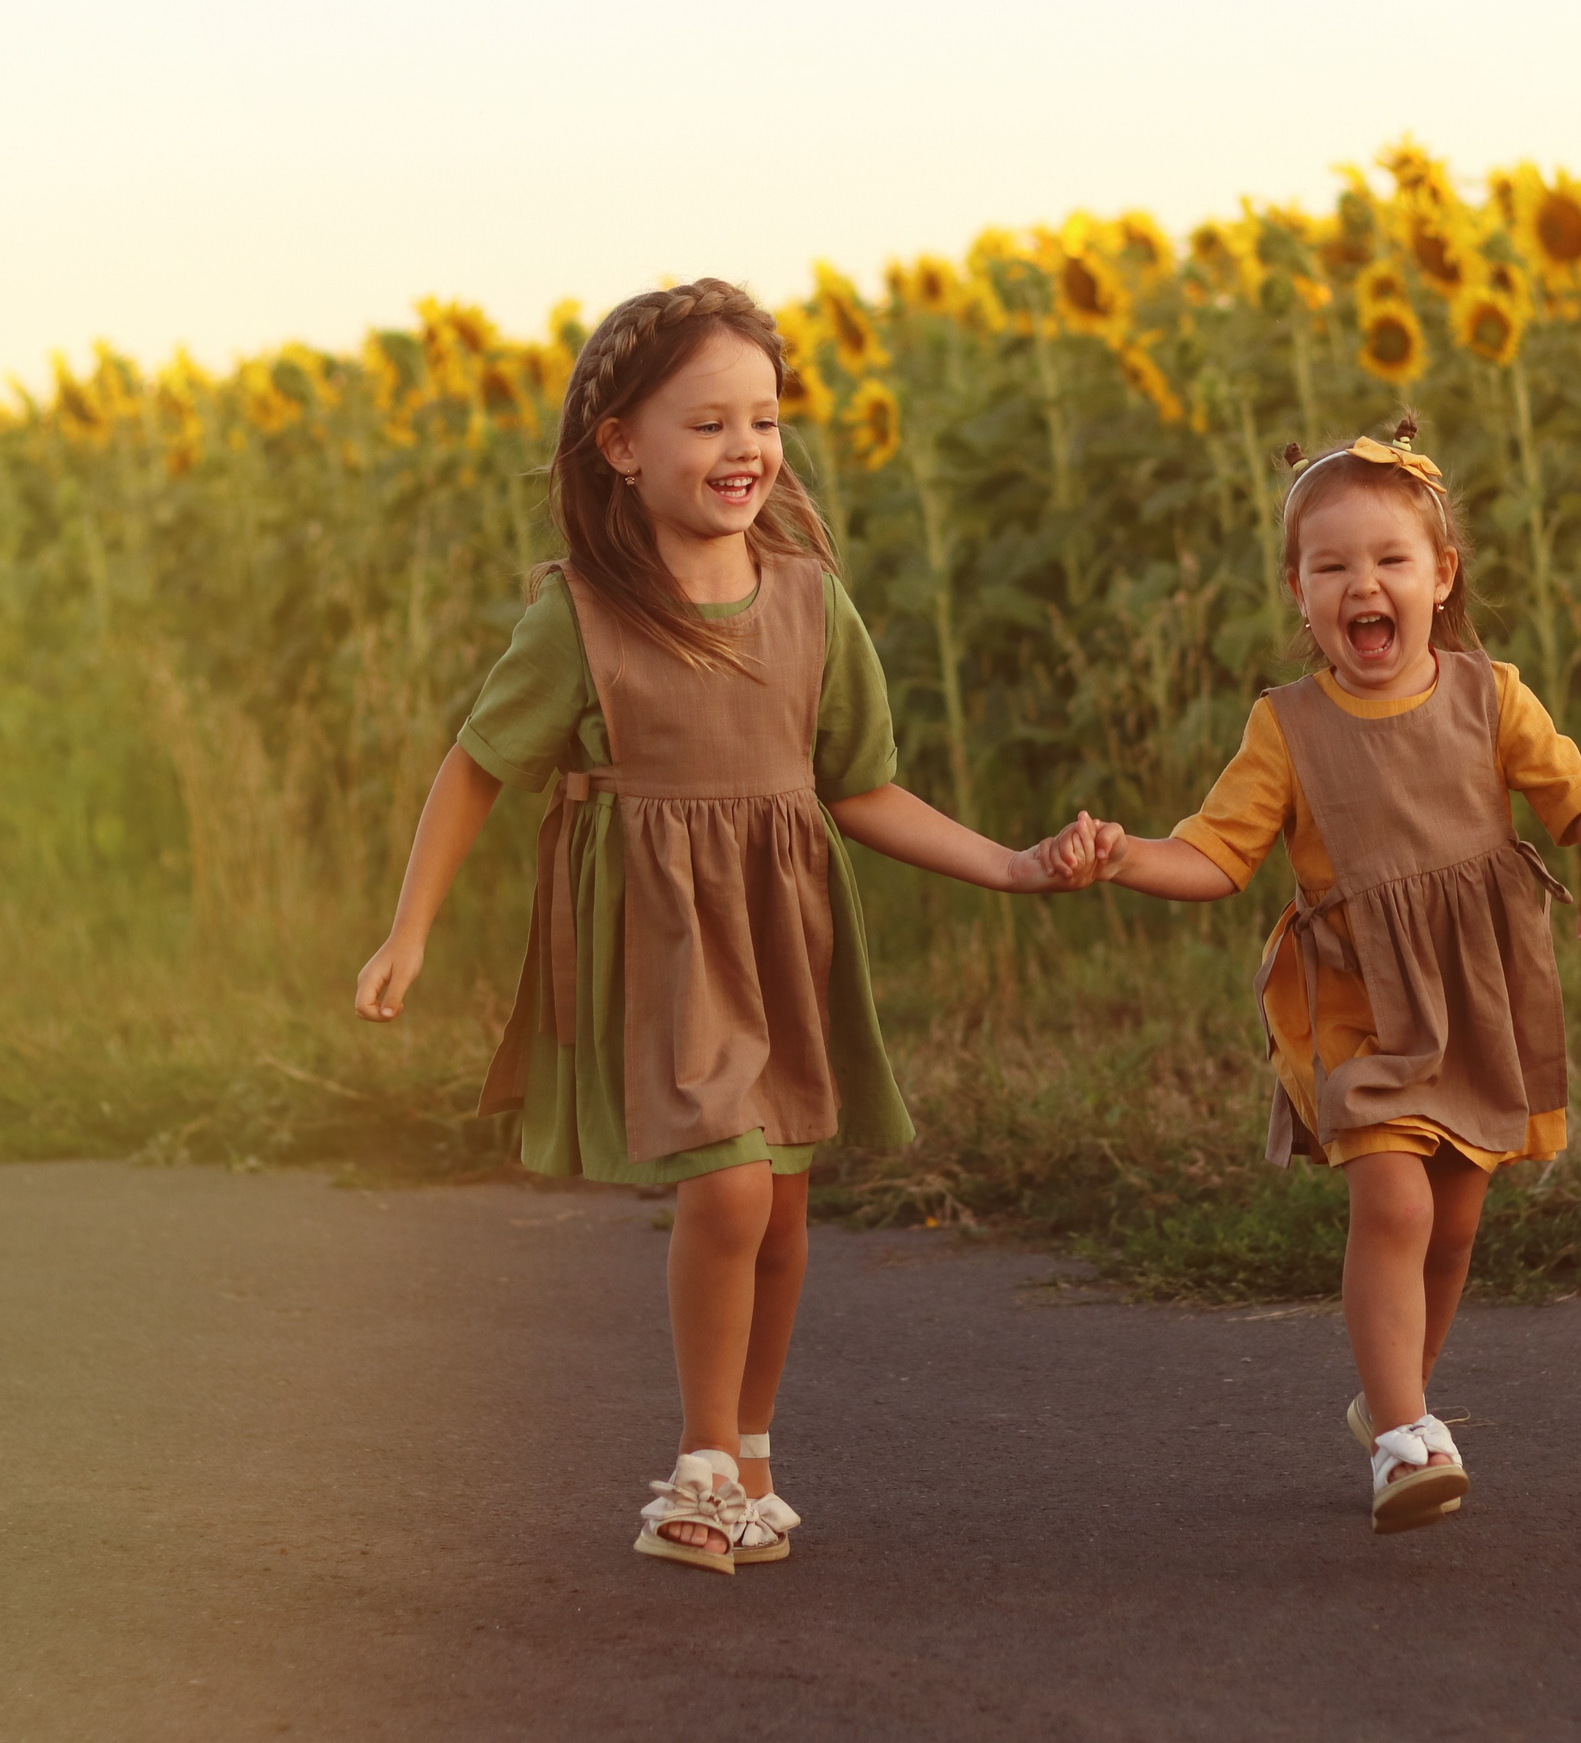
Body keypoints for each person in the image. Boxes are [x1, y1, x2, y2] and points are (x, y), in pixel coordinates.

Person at [353, 279, 1096, 1576]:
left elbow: (859, 787)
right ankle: (700, 1463)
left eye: (763, 418)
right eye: (707, 424)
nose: (746, 447)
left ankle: (752, 1446)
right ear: (622, 446)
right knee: (735, 1181)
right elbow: (477, 764)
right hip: (660, 949)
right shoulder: (580, 617)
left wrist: (1014, 868)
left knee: (784, 1206)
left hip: (785, 941)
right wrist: (407, 932)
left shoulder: (815, 605)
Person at [1077, 413, 1581, 1534]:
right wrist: (1125, 856)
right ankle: (1401, 1434)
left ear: (1439, 577)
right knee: (1390, 1199)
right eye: (1331, 564)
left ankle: (1400, 1397)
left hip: (1477, 992)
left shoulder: (1493, 696)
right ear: (1297, 590)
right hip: (1358, 1005)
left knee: (1451, 1223)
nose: (1363, 584)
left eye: (1389, 559)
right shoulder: (1286, 727)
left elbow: (1578, 790)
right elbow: (1215, 853)